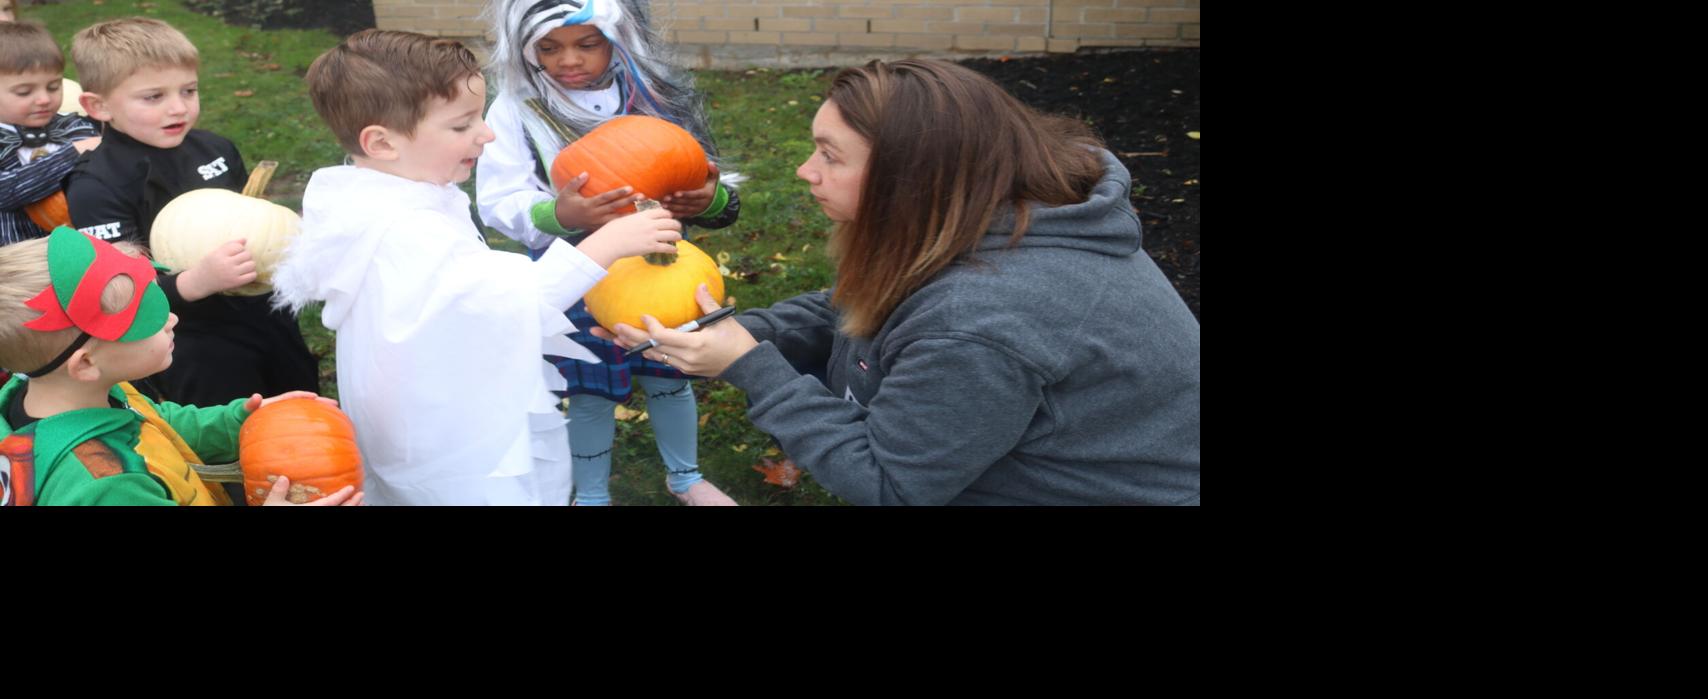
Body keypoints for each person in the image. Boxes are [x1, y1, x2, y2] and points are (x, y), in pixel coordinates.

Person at [600, 59, 1201, 505]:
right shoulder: (981, 221)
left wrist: (751, 364)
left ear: (911, 178)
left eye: (830, 156)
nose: (804, 171)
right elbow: (866, 306)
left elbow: (891, 487)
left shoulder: (987, 319)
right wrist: (735, 333)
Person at [272, 29, 680, 506]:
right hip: (452, 441)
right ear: (382, 143)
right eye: (462, 125)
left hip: (430, 403)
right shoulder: (403, 230)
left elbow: (467, 293)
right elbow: (511, 301)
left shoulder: (391, 198)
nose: (485, 134)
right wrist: (608, 243)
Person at [476, 0, 737, 506]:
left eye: (586, 45)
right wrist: (563, 214)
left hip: (662, 265)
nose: (568, 60)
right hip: (574, 274)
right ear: (526, 48)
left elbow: (705, 177)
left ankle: (685, 476)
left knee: (669, 376)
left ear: (617, 39)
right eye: (548, 48)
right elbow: (499, 202)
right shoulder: (515, 108)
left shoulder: (650, 93)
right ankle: (592, 494)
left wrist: (711, 198)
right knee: (589, 391)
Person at [0, 228, 360, 506]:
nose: (172, 318)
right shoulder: (109, 485)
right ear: (86, 363)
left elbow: (158, 425)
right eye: (149, 319)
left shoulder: (83, 394)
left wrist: (242, 422)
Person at [64, 16, 318, 408]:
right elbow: (116, 291)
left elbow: (255, 223)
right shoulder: (97, 187)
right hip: (191, 338)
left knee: (300, 402)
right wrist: (196, 281)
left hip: (264, 310)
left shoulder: (215, 150)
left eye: (189, 90)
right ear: (98, 106)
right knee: (229, 432)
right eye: (154, 97)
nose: (178, 108)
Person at [1, 21, 101, 246]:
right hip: (15, 261)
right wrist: (71, 155)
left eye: (54, 86)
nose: (45, 99)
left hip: (84, 245)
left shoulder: (74, 126)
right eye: (24, 91)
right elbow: (4, 192)